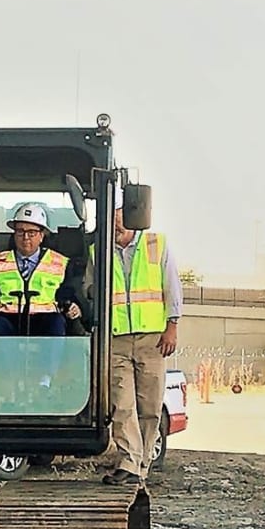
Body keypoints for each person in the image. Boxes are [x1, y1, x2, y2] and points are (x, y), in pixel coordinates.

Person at [100, 194, 182, 486]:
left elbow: (172, 287)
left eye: (120, 216)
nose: (116, 223)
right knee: (122, 405)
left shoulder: (155, 244)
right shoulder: (100, 251)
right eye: (111, 217)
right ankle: (129, 462)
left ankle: (142, 464)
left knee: (149, 405)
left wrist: (172, 326)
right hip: (117, 340)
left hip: (153, 339)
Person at [0, 203, 82, 335]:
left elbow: (68, 295)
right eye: (20, 231)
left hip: (45, 319)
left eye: (31, 232)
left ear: (41, 236)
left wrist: (73, 307)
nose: (25, 237)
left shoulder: (60, 263)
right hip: (7, 319)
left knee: (57, 323)